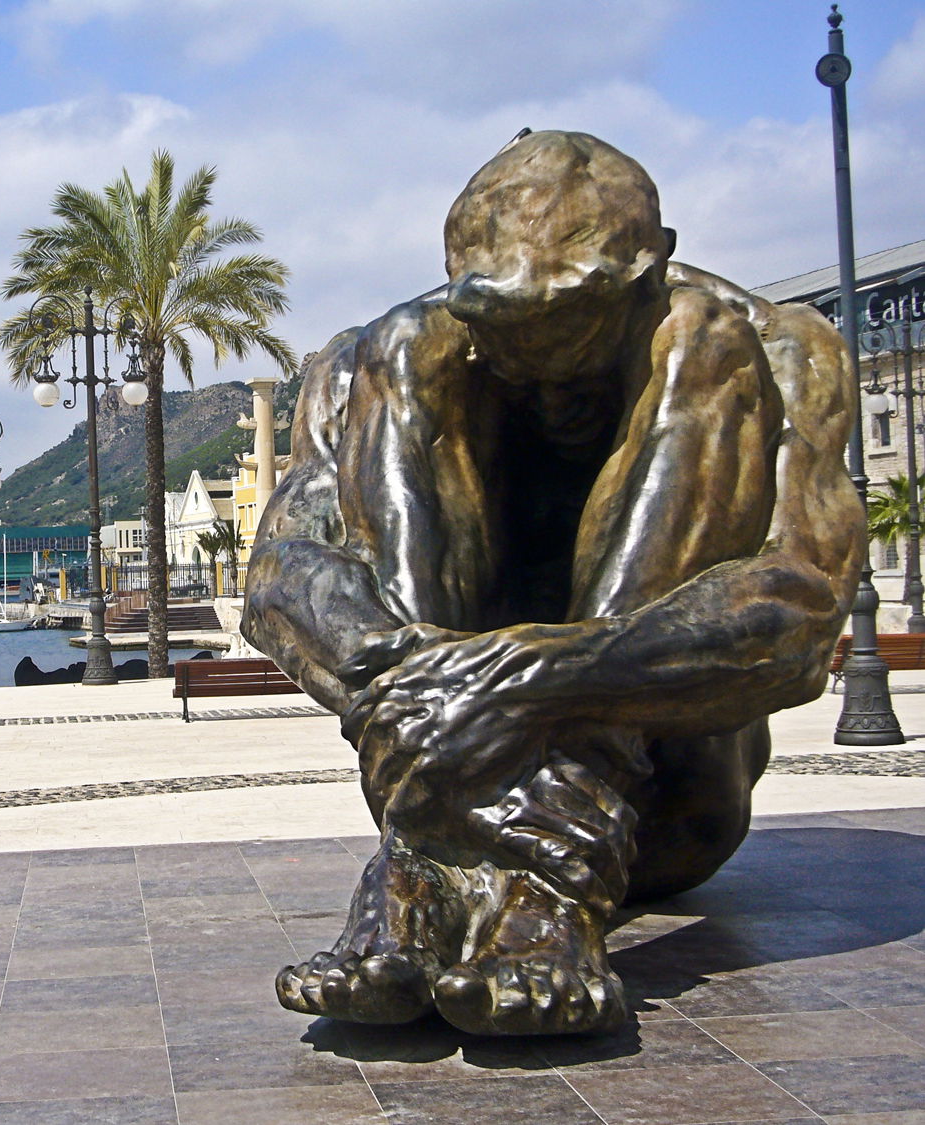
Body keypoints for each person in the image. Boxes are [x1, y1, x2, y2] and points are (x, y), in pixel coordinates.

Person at [241, 130, 861, 1036]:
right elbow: (279, 579)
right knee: (403, 349)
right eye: (500, 323)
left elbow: (798, 613)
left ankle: (530, 890)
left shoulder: (772, 347)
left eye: (571, 319)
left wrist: (526, 679)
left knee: (703, 347)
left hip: (662, 799)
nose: (535, 360)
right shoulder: (381, 359)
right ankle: (423, 868)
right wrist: (441, 693)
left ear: (652, 270)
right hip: (448, 762)